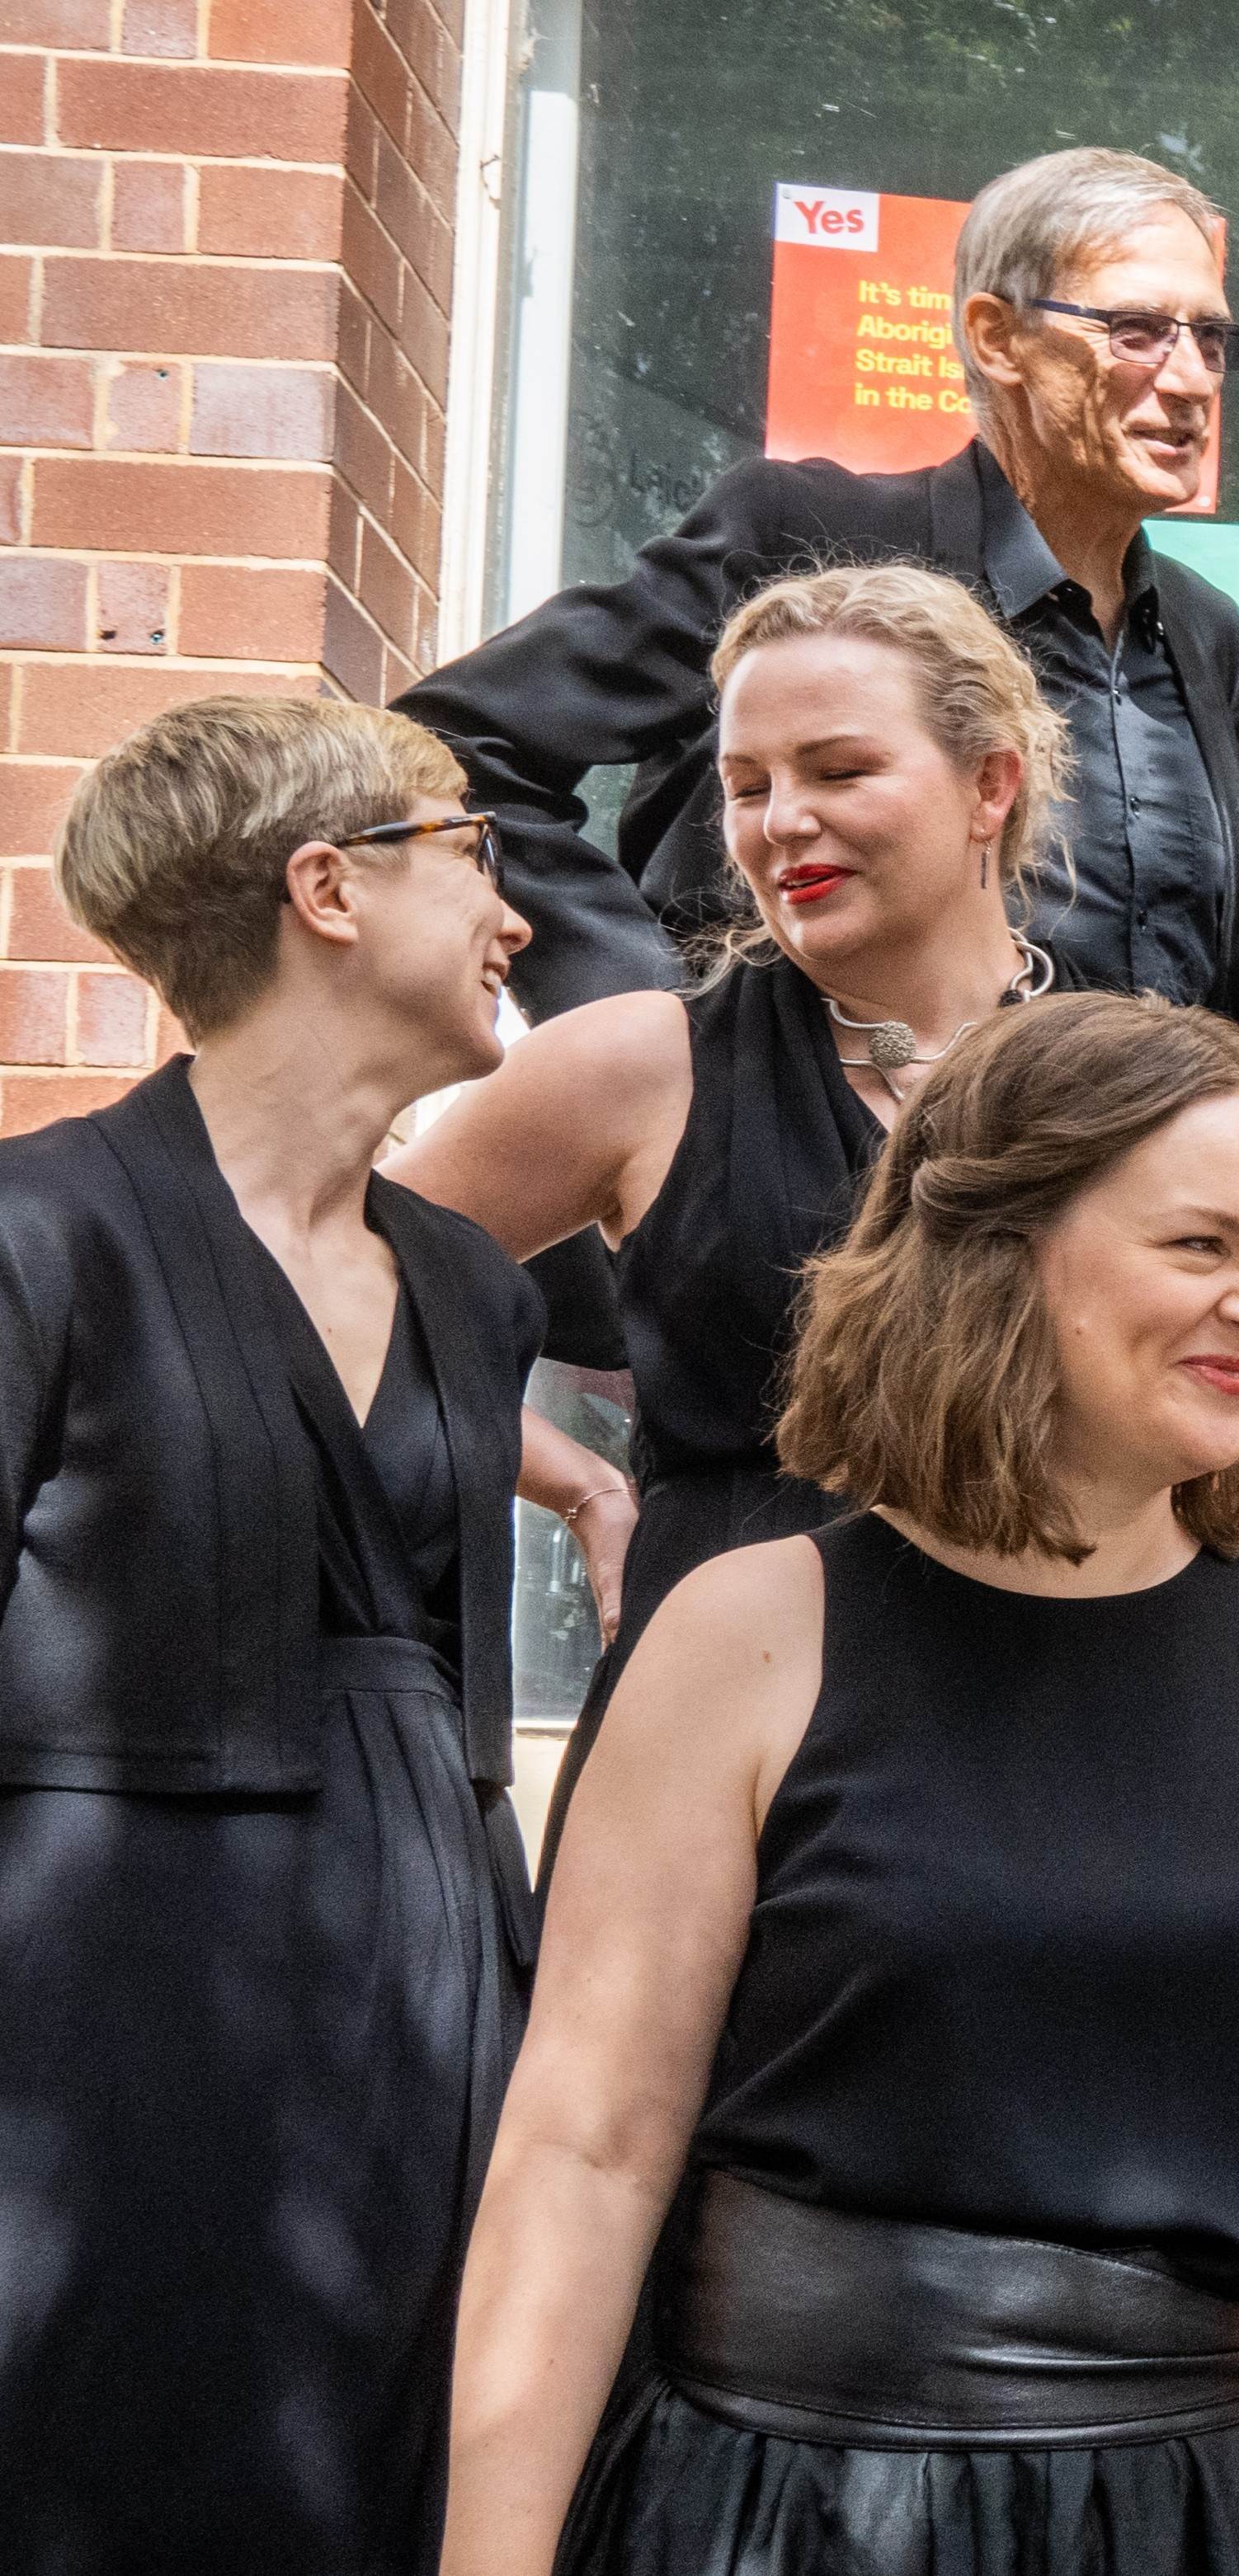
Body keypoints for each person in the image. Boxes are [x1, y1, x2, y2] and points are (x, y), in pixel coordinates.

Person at [443, 995, 1239, 2574]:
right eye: (1200, 1242)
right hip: (804, 2512)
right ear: (1003, 1251)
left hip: (1233, 2518)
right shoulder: (749, 1632)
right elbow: (584, 2151)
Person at [0, 699, 540, 2574]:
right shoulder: (39, 1240)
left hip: (440, 2076)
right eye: (474, 846)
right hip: (117, 2097)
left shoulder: (478, 1293)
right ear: (331, 884)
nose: (514, 912)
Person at [393, 564, 1067, 1760]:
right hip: (719, 1729)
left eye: (839, 770)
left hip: (1045, 1706)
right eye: (746, 786)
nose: (780, 821)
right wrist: (577, 1485)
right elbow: (324, 1281)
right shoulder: (642, 1065)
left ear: (989, 784)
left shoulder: (1124, 1082)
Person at [397, 148, 1239, 1020]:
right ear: (997, 337)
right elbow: (458, 746)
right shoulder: (804, 539)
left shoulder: (1204, 633)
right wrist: (653, 1024)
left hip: (1130, 1143)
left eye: (1213, 338)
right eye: (1137, 331)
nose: (1192, 379)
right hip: (816, 1144)